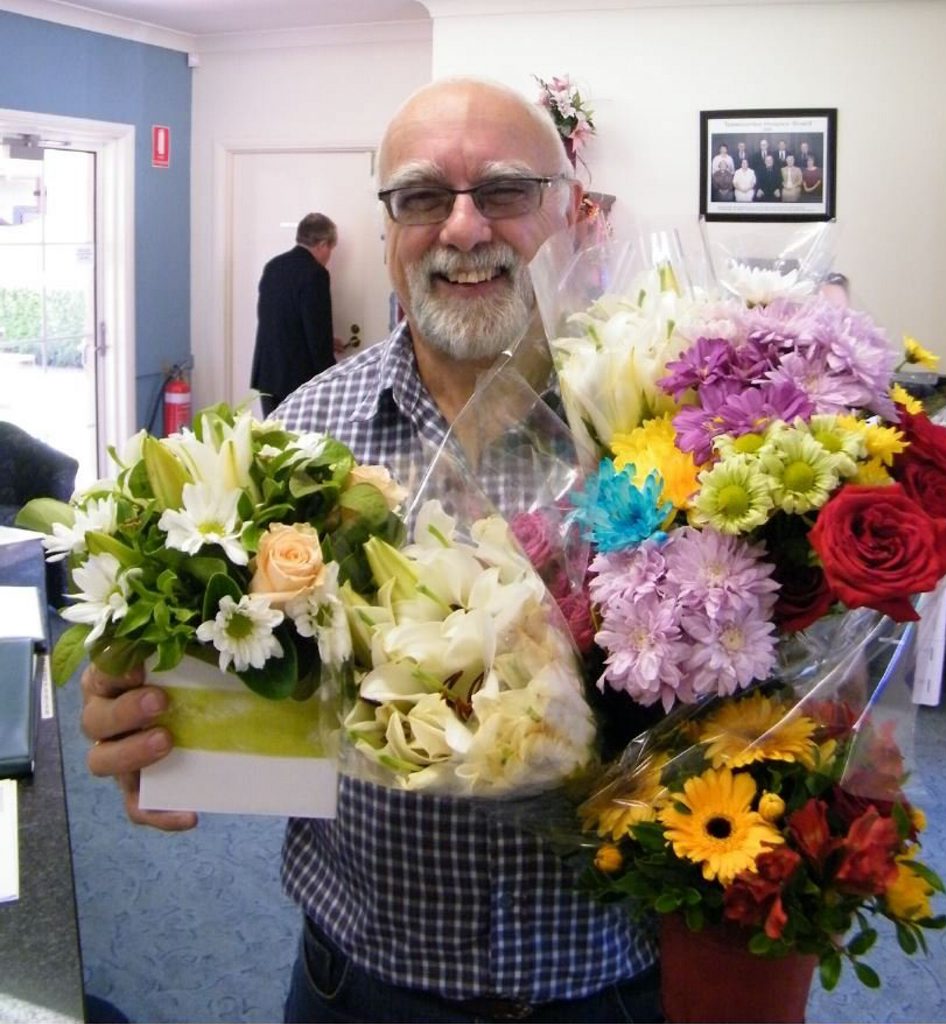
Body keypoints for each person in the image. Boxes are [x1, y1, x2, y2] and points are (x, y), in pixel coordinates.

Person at [78, 77, 663, 1024]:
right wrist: (154, 708)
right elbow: (230, 662)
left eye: (506, 192)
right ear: (388, 227)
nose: (464, 229)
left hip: (612, 982)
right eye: (424, 197)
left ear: (568, 213)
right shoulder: (298, 445)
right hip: (364, 986)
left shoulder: (662, 426)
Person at [249, 212, 338, 417]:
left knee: (273, 443)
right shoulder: (315, 274)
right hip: (298, 379)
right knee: (300, 445)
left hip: (268, 373)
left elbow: (277, 319)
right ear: (323, 244)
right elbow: (316, 336)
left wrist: (327, 339)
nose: (329, 256)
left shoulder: (273, 266)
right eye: (331, 249)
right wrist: (332, 378)